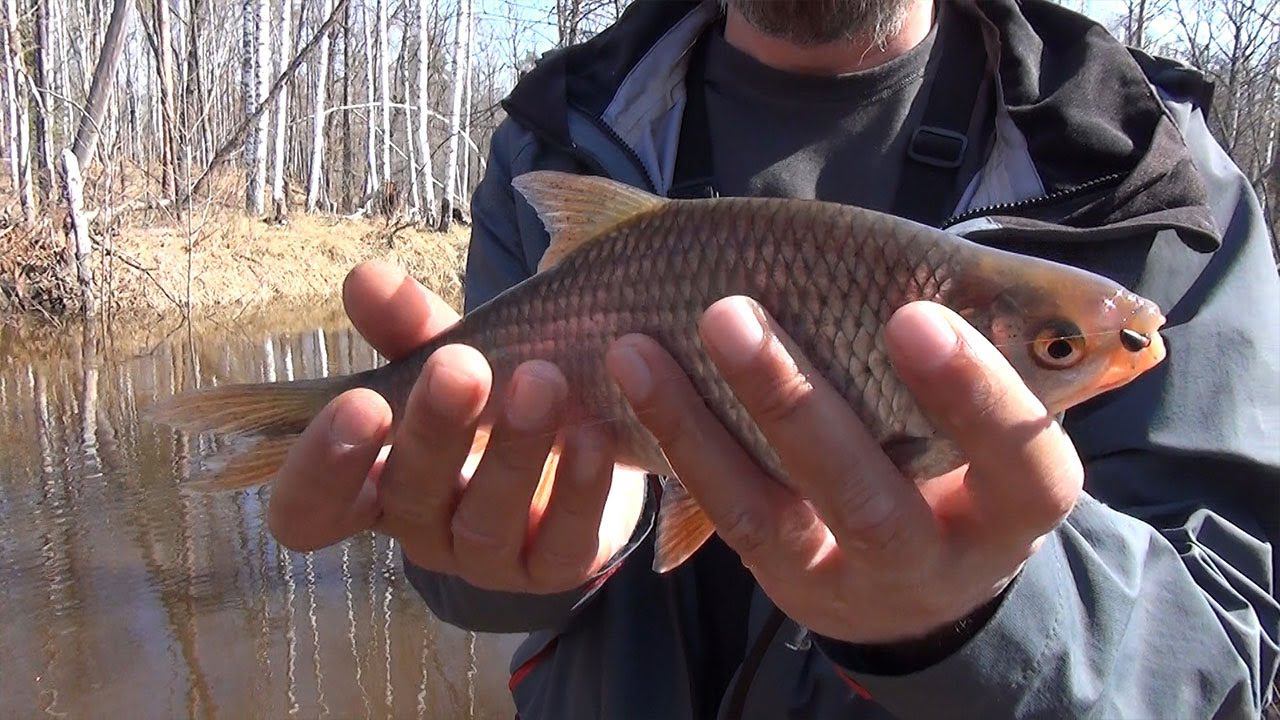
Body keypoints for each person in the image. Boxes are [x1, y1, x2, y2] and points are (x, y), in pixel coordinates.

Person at [266, 0, 1280, 716]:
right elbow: (488, 512)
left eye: (1058, 350)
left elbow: (1228, 659)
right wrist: (495, 569)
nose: (1073, 354)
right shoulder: (555, 135)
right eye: (1057, 347)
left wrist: (986, 618)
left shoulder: (1148, 175)